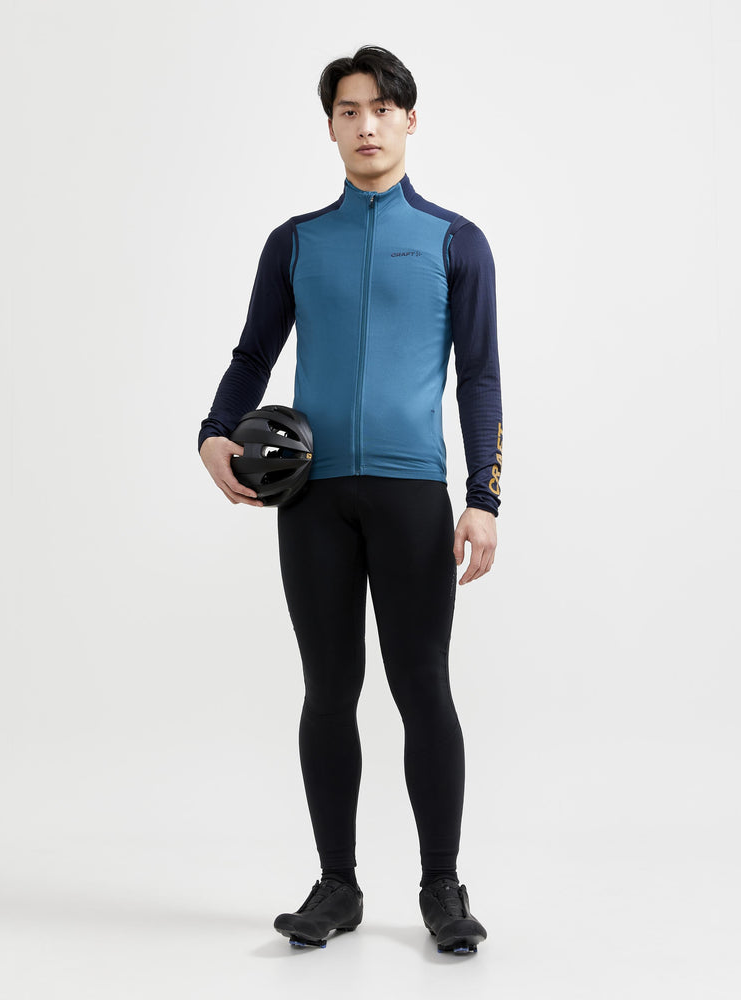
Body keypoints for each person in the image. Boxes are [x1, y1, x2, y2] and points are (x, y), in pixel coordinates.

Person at [198, 45, 503, 954]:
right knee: (328, 692)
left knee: (423, 690)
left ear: (409, 120)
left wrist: (483, 496)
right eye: (348, 111)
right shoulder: (296, 242)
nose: (366, 125)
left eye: (381, 109)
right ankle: (337, 885)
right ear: (330, 125)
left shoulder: (455, 241)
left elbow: (480, 378)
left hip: (412, 497)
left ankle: (442, 888)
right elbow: (253, 354)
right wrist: (213, 431)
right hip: (314, 500)